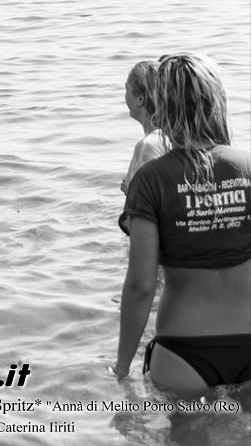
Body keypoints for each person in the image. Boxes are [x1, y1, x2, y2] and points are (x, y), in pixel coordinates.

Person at [114, 53, 251, 395]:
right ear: (217, 101)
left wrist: (122, 366)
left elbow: (141, 286)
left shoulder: (150, 180)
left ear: (162, 107)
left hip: (184, 349)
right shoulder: (248, 167)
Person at [118, 61, 168, 234]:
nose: (124, 96)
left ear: (140, 99)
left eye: (126, 89)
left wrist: (130, 191)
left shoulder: (148, 146)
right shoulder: (173, 138)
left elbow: (145, 210)